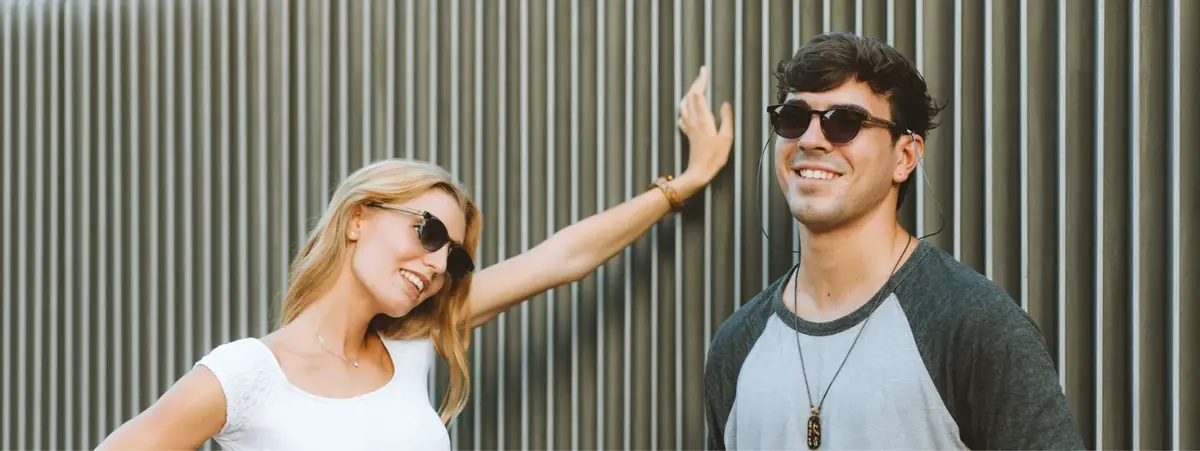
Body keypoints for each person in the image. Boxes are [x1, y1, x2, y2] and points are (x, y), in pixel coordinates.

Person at [98, 67, 733, 450]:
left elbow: (562, 257)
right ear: (357, 219)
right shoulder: (247, 374)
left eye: (454, 259)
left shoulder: (413, 345)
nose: (436, 266)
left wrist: (683, 183)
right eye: (428, 233)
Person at [702, 33, 1084, 450]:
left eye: (844, 122)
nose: (810, 140)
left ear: (905, 156)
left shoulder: (973, 326)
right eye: (793, 118)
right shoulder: (737, 345)